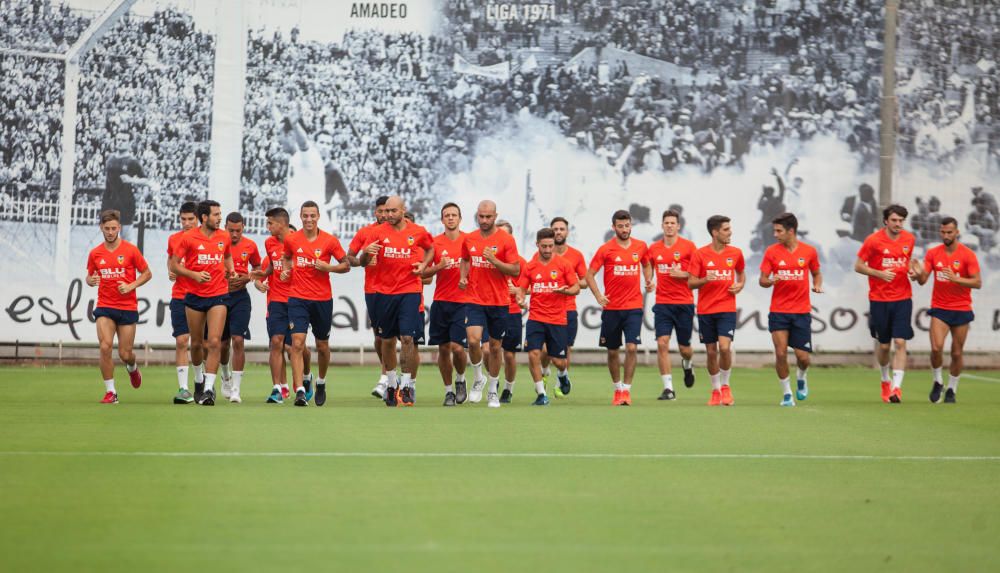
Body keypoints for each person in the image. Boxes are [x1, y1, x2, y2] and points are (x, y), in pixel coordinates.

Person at [359, 196, 434, 407]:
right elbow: (363, 262)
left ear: (403, 210)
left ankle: (408, 385)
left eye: (393, 211)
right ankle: (391, 385)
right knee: (387, 341)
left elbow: (430, 248)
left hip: (409, 291)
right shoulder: (377, 232)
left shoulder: (417, 231)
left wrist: (424, 265)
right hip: (383, 293)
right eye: (387, 211)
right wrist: (367, 255)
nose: (389, 215)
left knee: (408, 339)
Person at [281, 201, 350, 406]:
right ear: (300, 217)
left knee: (322, 346)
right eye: (305, 216)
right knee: (297, 344)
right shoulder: (292, 239)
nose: (309, 219)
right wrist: (286, 270)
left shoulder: (330, 241)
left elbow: (346, 265)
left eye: (312, 215)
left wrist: (328, 267)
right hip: (297, 298)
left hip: (321, 299)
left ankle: (320, 381)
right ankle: (300, 390)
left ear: (318, 216)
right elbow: (286, 258)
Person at [168, 200, 234, 406]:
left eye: (220, 214)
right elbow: (175, 266)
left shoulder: (224, 236)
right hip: (194, 295)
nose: (219, 218)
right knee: (196, 344)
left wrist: (230, 270)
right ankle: (197, 379)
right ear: (204, 217)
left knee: (214, 341)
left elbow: (228, 257)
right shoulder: (188, 238)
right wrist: (194, 275)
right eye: (216, 215)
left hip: (219, 294)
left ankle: (208, 389)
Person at [854, 204, 920, 403]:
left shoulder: (909, 239)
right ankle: (885, 379)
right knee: (884, 346)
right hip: (879, 299)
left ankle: (896, 389)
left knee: (900, 342)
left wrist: (913, 272)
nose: (898, 224)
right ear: (886, 221)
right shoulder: (873, 241)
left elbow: (907, 263)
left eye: (901, 220)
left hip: (902, 298)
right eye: (894, 220)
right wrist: (879, 273)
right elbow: (858, 266)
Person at [585, 209, 652, 406]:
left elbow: (647, 264)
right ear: (614, 227)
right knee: (613, 351)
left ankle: (627, 391)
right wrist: (599, 295)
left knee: (632, 347)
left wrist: (648, 279)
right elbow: (589, 275)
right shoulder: (606, 249)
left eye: (627, 225)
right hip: (612, 308)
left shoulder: (640, 246)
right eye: (620, 226)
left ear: (631, 225)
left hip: (633, 307)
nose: (624, 229)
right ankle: (617, 389)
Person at [459, 200, 522, 408]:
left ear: (495, 216)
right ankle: (478, 378)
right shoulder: (469, 238)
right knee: (473, 339)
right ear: (477, 215)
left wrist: (494, 261)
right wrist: (463, 276)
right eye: (481, 216)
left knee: (495, 347)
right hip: (475, 299)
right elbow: (465, 259)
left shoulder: (506, 240)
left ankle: (493, 389)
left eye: (488, 216)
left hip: (499, 301)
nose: (484, 220)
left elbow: (515, 270)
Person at [86, 210, 152, 403]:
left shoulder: (131, 250)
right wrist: (91, 280)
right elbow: (90, 276)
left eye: (114, 228)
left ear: (119, 228)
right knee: (105, 346)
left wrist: (131, 286)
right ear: (101, 228)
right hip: (105, 306)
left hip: (127, 307)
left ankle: (132, 367)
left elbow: (147, 273)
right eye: (107, 228)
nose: (110, 232)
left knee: (125, 354)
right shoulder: (95, 253)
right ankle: (111, 392)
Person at [914, 217, 982, 403]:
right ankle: (937, 381)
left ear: (957, 232)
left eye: (949, 232)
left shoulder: (968, 254)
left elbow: (977, 282)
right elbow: (923, 280)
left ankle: (952, 388)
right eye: (943, 232)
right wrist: (917, 273)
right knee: (936, 348)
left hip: (961, 309)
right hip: (940, 308)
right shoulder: (933, 253)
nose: (945, 235)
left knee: (957, 353)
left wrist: (956, 279)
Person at [759, 212, 823, 407]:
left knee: (803, 358)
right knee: (780, 353)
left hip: (801, 311)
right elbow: (762, 280)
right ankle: (787, 394)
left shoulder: (809, 251)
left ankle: (801, 376)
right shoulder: (771, 252)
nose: (776, 234)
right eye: (774, 231)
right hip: (779, 311)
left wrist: (817, 285)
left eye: (779, 231)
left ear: (791, 231)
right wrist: (770, 281)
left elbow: (816, 273)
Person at [516, 227, 581, 405]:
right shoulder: (530, 266)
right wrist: (521, 300)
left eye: (550, 246)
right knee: (533, 354)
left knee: (559, 361)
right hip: (536, 318)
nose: (547, 250)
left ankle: (563, 375)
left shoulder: (563, 264)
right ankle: (541, 394)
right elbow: (521, 289)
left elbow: (576, 287)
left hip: (557, 320)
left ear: (554, 244)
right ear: (537, 244)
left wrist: (566, 291)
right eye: (543, 246)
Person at [688, 215, 746, 406]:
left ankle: (726, 386)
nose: (730, 232)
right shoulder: (700, 254)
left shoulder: (736, 253)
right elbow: (690, 282)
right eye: (726, 229)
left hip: (726, 309)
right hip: (706, 310)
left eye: (730, 228)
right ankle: (715, 390)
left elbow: (741, 273)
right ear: (715, 232)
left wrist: (740, 284)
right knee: (711, 352)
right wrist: (705, 279)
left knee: (724, 347)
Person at [256, 214, 312, 404]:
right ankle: (278, 388)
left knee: (297, 346)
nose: (268, 226)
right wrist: (261, 278)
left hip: (297, 299)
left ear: (282, 224)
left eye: (270, 223)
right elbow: (271, 266)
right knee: (276, 341)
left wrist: (294, 271)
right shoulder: (269, 243)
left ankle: (306, 376)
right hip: (276, 301)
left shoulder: (299, 243)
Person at [646, 208, 697, 400]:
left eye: (672, 223)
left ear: (678, 226)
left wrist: (683, 274)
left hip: (684, 303)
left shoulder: (689, 247)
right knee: (662, 343)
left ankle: (687, 363)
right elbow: (649, 266)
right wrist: (649, 280)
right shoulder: (654, 248)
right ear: (662, 225)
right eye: (666, 223)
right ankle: (668, 388)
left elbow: (698, 273)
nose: (669, 226)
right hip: (663, 304)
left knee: (685, 348)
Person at [423, 202, 471, 406]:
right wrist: (438, 267)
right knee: (443, 349)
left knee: (458, 348)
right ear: (442, 220)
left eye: (454, 215)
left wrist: (467, 279)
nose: (451, 218)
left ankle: (461, 380)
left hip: (463, 303)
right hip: (441, 302)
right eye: (447, 215)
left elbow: (478, 268)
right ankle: (449, 391)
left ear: (460, 218)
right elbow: (423, 273)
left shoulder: (469, 241)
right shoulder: (434, 244)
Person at [347, 196, 390, 399]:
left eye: (386, 211)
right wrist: (363, 257)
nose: (383, 215)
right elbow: (350, 258)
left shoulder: (399, 232)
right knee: (379, 337)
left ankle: (393, 380)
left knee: (406, 339)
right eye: (380, 211)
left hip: (399, 291)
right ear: (375, 212)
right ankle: (387, 373)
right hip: (374, 291)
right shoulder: (366, 232)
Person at [218, 212, 262, 404]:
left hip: (240, 298)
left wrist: (250, 277)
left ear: (243, 228)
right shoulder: (217, 243)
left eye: (237, 230)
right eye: (230, 230)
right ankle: (225, 376)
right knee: (222, 344)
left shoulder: (250, 246)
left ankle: (236, 389)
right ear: (225, 228)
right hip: (219, 297)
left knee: (238, 340)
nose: (234, 234)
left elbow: (258, 267)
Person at [545, 216, 588, 397]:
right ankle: (545, 370)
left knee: (565, 349)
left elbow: (585, 281)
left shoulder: (576, 255)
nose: (558, 232)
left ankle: (559, 381)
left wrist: (571, 284)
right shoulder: (543, 253)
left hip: (568, 309)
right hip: (546, 309)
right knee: (545, 349)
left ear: (567, 232)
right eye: (555, 229)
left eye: (562, 229)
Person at [165, 201, 198, 404]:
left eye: (190, 219)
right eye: (183, 219)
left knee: (201, 344)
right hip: (179, 296)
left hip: (202, 297)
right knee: (181, 340)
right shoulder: (174, 239)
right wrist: (170, 269)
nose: (186, 223)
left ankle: (201, 381)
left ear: (198, 219)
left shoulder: (206, 239)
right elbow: (171, 260)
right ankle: (184, 388)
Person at [102, 132, 158, 242]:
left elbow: (146, 180)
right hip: (109, 201)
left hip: (125, 202)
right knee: (109, 238)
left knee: (126, 238)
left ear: (129, 143)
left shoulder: (132, 161)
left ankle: (127, 259)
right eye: (118, 139)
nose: (120, 142)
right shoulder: (110, 159)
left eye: (123, 140)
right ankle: (112, 259)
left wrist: (131, 180)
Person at [496, 220, 527, 404]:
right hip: (492, 310)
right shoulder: (487, 259)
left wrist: (518, 291)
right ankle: (494, 380)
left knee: (509, 354)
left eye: (505, 235)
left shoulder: (521, 263)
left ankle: (508, 389)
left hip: (512, 312)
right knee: (487, 351)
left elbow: (530, 286)